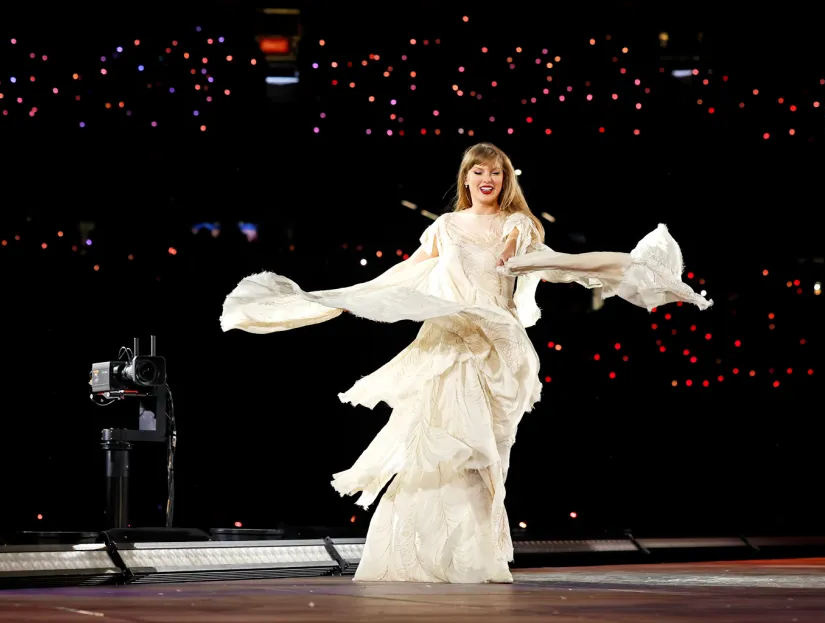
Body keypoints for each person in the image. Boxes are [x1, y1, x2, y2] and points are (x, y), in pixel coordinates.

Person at [220, 142, 711, 583]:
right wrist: (355, 296)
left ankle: (478, 559)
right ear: (466, 177)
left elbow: (559, 261)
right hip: (450, 342)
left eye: (495, 171)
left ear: (506, 179)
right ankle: (422, 557)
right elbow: (410, 268)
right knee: (438, 447)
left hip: (497, 348)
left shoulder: (519, 225)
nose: (486, 178)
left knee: (486, 458)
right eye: (478, 170)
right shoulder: (446, 227)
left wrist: (620, 265)